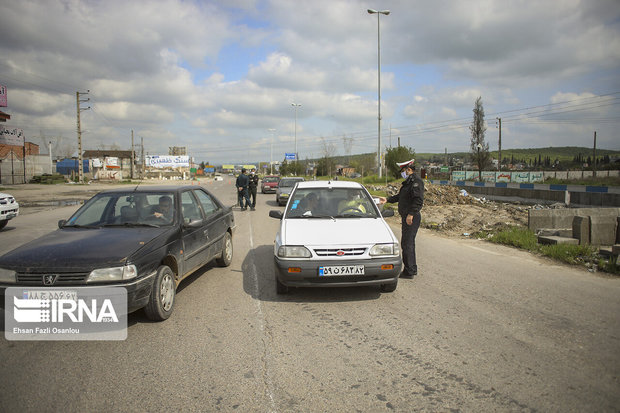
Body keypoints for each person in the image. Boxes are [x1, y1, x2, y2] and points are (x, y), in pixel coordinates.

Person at [379, 159, 424, 278]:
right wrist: (387, 200)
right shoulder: (408, 183)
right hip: (407, 216)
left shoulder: (416, 182)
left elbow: (418, 200)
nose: (402, 173)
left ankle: (410, 271)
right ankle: (410, 268)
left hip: (411, 217)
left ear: (409, 169)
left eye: (403, 170)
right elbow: (401, 196)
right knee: (406, 243)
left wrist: (411, 214)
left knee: (407, 243)